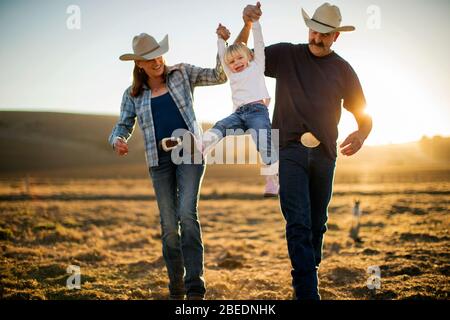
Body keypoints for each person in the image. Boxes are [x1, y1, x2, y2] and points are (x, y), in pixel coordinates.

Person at [238, 2, 373, 299]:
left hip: (325, 155)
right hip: (289, 151)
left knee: (316, 225)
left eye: (325, 34)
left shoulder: (343, 70)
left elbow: (365, 115)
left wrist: (362, 134)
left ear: (336, 36)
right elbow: (241, 57)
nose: (317, 38)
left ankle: (308, 272)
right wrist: (248, 25)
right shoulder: (286, 54)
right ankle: (307, 293)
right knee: (298, 222)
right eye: (314, 30)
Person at [108, 32, 227, 300]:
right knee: (169, 227)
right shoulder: (133, 94)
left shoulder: (182, 73)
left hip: (189, 153)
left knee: (187, 214)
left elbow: (219, 75)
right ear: (139, 63)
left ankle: (195, 288)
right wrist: (117, 139)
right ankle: (177, 289)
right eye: (148, 59)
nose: (156, 61)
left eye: (158, 54)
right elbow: (123, 125)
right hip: (158, 161)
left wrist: (221, 44)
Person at [200, 9, 279, 197]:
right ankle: (201, 147)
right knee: (221, 125)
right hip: (238, 113)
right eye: (232, 61)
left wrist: (256, 23)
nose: (236, 63)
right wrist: (220, 40)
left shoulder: (257, 65)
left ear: (249, 56)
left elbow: (258, 45)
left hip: (258, 112)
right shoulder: (231, 73)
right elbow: (222, 54)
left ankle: (272, 179)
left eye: (240, 58)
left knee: (263, 142)